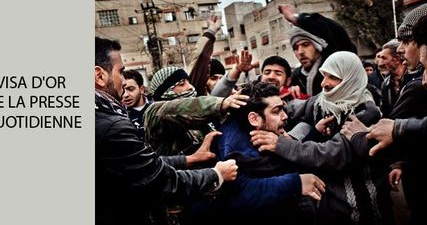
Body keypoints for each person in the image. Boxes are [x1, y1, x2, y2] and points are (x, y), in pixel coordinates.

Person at [95, 36, 238, 225]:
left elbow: (136, 165)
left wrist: (189, 159)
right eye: (121, 72)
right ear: (99, 75)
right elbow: (159, 181)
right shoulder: (125, 121)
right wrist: (216, 175)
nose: (123, 80)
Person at [251, 52, 394, 225]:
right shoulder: (323, 101)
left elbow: (334, 154)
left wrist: (282, 144)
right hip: (329, 205)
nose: (324, 83)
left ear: (350, 78)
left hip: (364, 203)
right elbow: (291, 111)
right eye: (324, 75)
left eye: (332, 77)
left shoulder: (366, 112)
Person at [342, 11, 427, 225]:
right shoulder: (390, 86)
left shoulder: (418, 90)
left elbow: (383, 146)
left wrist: (360, 136)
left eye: (408, 41)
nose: (401, 49)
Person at [193, 81, 325, 224]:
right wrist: (296, 183)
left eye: (283, 109)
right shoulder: (235, 148)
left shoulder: (255, 131)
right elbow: (243, 195)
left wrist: (314, 134)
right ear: (254, 118)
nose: (285, 116)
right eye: (276, 111)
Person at [279, 3, 357, 97]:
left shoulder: (335, 63)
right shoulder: (296, 77)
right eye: (295, 48)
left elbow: (336, 31)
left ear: (317, 45)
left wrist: (298, 19)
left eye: (305, 44)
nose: (300, 52)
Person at [211, 54, 303, 100]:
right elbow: (215, 98)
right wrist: (237, 70)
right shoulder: (247, 95)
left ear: (288, 80)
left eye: (278, 73)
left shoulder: (296, 97)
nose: (271, 77)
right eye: (267, 72)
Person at [121, 69, 152, 140]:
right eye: (122, 90)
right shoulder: (120, 115)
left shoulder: (156, 107)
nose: (125, 95)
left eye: (130, 89)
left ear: (141, 89)